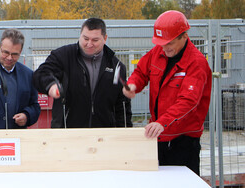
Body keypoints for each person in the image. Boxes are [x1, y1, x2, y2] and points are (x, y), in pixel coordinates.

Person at [123, 10, 212, 175]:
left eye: (169, 43)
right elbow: (142, 71)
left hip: (183, 141)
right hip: (159, 136)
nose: (164, 48)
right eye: (161, 43)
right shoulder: (158, 51)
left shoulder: (196, 63)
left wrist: (162, 122)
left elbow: (188, 101)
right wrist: (133, 85)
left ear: (184, 37)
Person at [33, 18, 132, 128]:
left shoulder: (117, 67)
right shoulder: (63, 56)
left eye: (95, 40)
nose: (89, 44)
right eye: (85, 38)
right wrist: (51, 85)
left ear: (105, 38)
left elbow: (123, 107)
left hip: (104, 135)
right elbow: (41, 74)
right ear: (80, 35)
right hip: (68, 133)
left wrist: (125, 132)